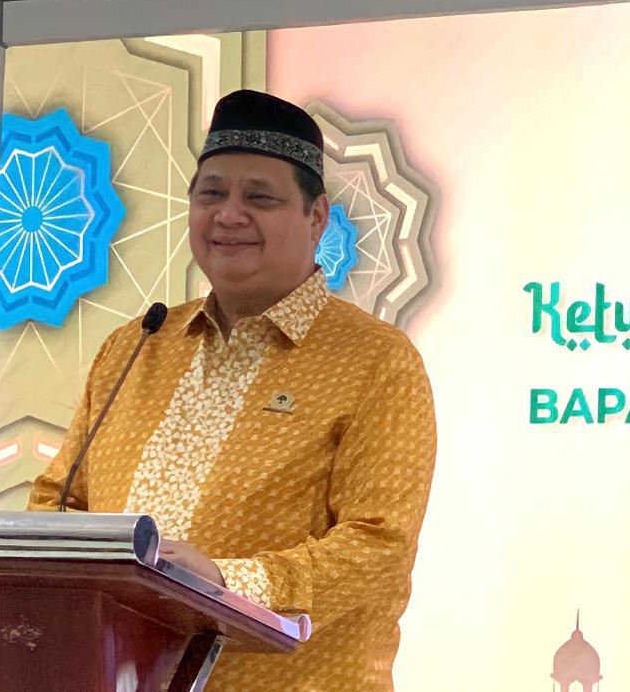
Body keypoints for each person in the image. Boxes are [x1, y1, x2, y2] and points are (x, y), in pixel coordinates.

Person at [29, 89, 436, 691]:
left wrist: (226, 582)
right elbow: (58, 500)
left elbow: (379, 547)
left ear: (317, 218)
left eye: (260, 198)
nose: (228, 215)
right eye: (211, 194)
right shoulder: (136, 344)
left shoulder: (375, 361)